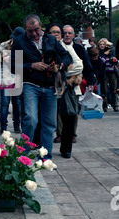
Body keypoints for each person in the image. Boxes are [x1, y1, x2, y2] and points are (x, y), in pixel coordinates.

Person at [11, 15, 72, 160]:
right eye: (30, 31)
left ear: (41, 27)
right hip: (30, 85)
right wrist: (32, 65)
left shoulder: (51, 39)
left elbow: (66, 56)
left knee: (49, 123)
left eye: (36, 30)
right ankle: (22, 156)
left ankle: (46, 158)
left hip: (50, 86)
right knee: (31, 119)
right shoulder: (19, 42)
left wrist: (59, 66)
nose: (34, 34)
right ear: (25, 29)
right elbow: (12, 66)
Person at [46, 23, 83, 158]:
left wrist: (60, 72)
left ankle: (66, 149)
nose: (55, 34)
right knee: (49, 120)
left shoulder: (67, 48)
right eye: (52, 32)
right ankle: (43, 147)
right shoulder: (43, 46)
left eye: (58, 32)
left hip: (65, 88)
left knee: (68, 118)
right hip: (48, 88)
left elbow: (79, 66)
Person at [61, 25, 95, 143]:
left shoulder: (79, 48)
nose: (67, 35)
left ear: (73, 35)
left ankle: (72, 133)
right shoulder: (59, 46)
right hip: (60, 82)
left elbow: (86, 66)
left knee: (73, 110)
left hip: (75, 83)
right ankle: (60, 134)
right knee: (60, 111)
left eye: (70, 33)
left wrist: (91, 82)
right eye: (65, 33)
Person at [0, 28, 24, 134]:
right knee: (4, 103)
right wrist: (2, 57)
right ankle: (3, 127)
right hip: (5, 78)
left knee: (17, 103)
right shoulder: (4, 45)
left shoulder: (25, 44)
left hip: (18, 78)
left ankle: (16, 126)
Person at [97, 38, 119, 112]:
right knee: (104, 90)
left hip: (112, 72)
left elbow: (116, 62)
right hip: (104, 72)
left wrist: (114, 60)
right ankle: (104, 106)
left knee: (114, 89)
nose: (102, 46)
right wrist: (105, 55)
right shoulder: (99, 53)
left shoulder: (111, 52)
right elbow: (101, 62)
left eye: (104, 44)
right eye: (101, 44)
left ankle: (115, 105)